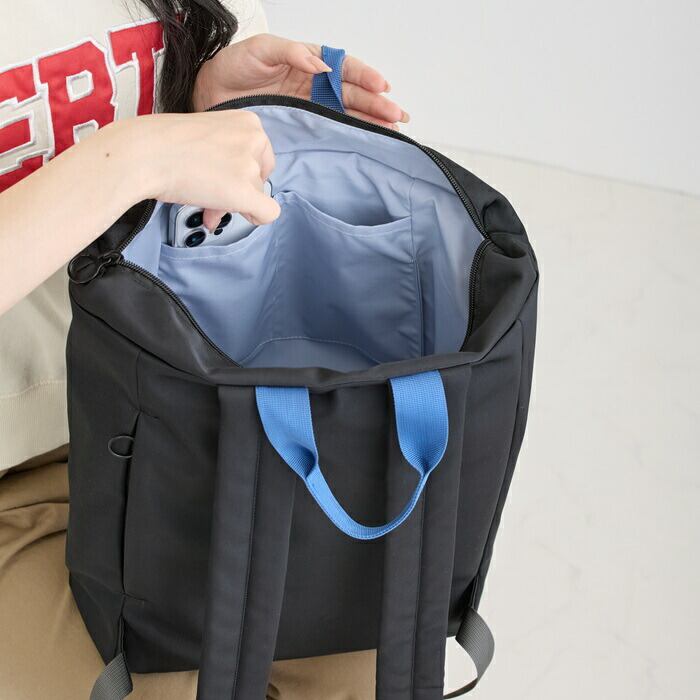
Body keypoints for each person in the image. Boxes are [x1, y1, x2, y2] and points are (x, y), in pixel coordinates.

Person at [0, 2, 409, 698]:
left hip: (188, 403)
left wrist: (202, 102)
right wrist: (138, 155)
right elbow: (135, 161)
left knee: (367, 661)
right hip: (18, 467)